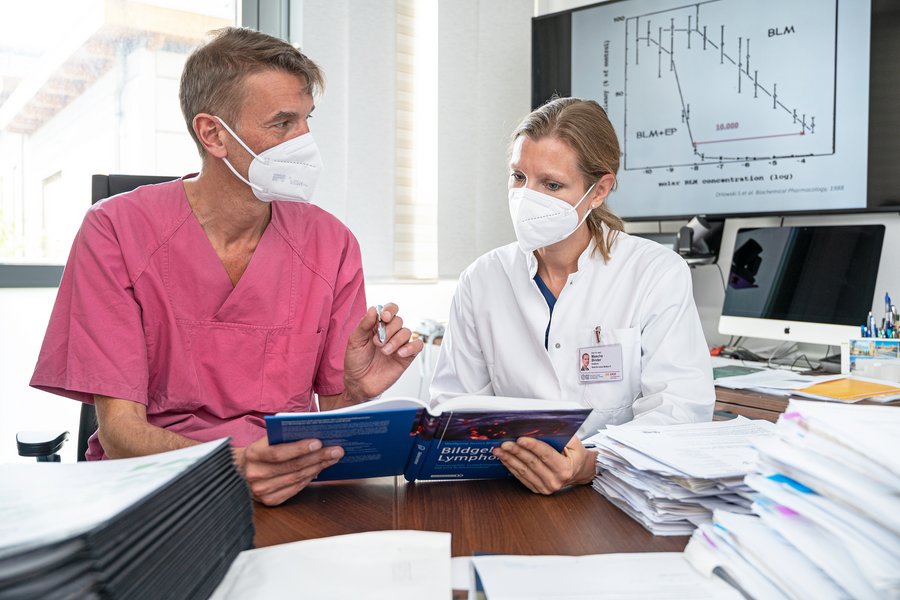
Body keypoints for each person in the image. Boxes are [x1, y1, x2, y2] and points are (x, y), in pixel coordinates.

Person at [30, 27, 423, 506]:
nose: (304, 141)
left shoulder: (331, 243)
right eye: (282, 124)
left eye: (306, 121)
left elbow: (326, 414)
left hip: (288, 487)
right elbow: (121, 434)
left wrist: (355, 393)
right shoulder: (116, 231)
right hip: (155, 486)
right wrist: (231, 465)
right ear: (213, 133)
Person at [430, 97, 714, 496]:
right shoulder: (482, 280)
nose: (528, 198)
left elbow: (680, 411)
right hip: (504, 494)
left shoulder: (655, 273)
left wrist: (589, 464)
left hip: (616, 495)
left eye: (551, 185)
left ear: (599, 190)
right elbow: (453, 407)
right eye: (518, 177)